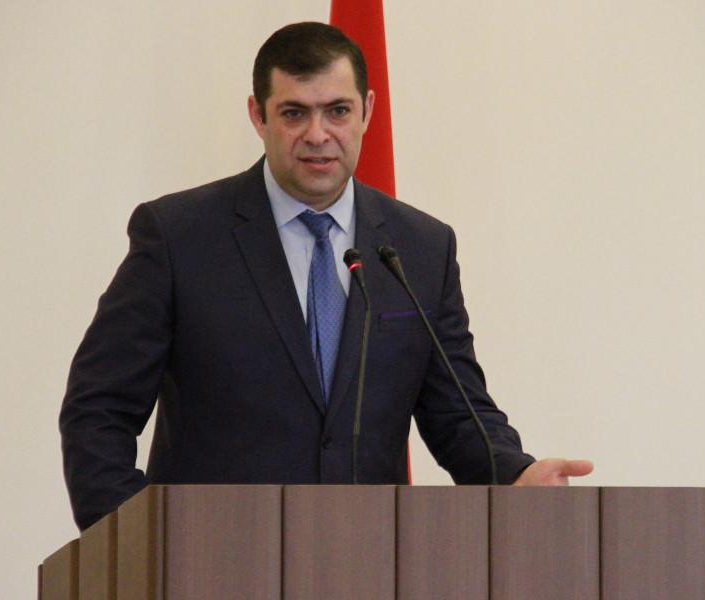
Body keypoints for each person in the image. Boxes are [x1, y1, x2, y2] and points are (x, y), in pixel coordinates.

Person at [60, 22, 592, 531]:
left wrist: (515, 474)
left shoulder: (421, 248)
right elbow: (99, 409)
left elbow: (459, 413)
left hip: (371, 556)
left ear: (368, 111)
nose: (318, 135)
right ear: (258, 116)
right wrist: (135, 536)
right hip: (210, 558)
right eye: (294, 113)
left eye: (337, 111)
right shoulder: (180, 236)